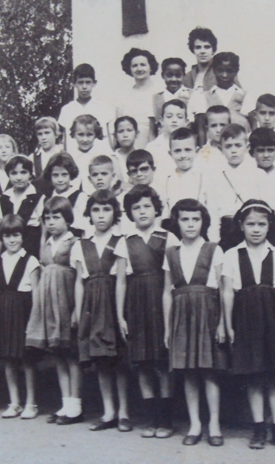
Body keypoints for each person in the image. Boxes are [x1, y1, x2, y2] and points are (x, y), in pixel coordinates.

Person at [222, 200, 275, 450]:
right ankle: (258, 429)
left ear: (269, 226)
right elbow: (227, 293)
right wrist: (227, 325)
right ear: (241, 226)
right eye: (251, 224)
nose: (256, 229)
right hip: (245, 320)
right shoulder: (232, 255)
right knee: (254, 376)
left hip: (274, 320)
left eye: (261, 224)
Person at [162, 199, 227, 447]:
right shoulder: (171, 253)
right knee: (188, 371)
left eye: (195, 219)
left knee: (209, 371)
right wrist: (168, 327)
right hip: (181, 313)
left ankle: (214, 424)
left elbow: (222, 289)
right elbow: (167, 291)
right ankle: (195, 424)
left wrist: (221, 323)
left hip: (207, 313)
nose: (190, 224)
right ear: (177, 222)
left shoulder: (214, 249)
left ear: (203, 222)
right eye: (185, 219)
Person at [120, 185, 180, 438]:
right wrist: (120, 315)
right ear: (129, 213)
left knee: (162, 362)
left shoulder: (168, 238)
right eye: (136, 208)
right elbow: (121, 281)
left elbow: (175, 276)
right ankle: (151, 419)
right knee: (143, 363)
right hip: (136, 305)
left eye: (146, 206)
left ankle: (166, 420)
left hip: (161, 303)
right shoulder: (126, 242)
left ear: (156, 209)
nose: (142, 212)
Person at [73, 190, 131, 432]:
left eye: (106, 209)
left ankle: (124, 412)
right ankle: (109, 412)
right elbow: (79, 281)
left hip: (112, 303)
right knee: (100, 360)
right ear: (88, 214)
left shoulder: (121, 242)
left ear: (115, 213)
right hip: (91, 306)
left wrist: (120, 315)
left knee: (118, 360)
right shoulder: (81, 245)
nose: (101, 215)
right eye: (96, 210)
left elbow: (121, 280)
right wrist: (78, 312)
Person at [26, 196, 83, 425]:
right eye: (47, 218)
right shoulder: (47, 244)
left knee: (71, 354)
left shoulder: (75, 242)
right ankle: (65, 403)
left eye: (56, 217)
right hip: (49, 304)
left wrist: (75, 310)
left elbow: (79, 277)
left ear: (67, 219)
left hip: (66, 302)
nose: (51, 222)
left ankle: (76, 406)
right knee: (58, 354)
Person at [0, 214, 41, 420]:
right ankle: (15, 402)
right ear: (1, 237)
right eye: (7, 236)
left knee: (27, 360)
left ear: (23, 236)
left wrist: (34, 322)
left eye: (16, 235)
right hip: (3, 313)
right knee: (8, 360)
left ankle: (31, 403)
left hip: (24, 312)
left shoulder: (30, 261)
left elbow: (36, 294)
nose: (12, 240)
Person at [206, 124, 265, 249]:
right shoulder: (215, 176)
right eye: (228, 146)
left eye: (238, 145)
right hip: (226, 230)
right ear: (220, 149)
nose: (233, 150)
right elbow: (213, 209)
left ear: (247, 147)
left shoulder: (258, 174)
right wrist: (214, 241)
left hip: (251, 227)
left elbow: (266, 205)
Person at [0, 155, 45, 258]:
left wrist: (42, 256)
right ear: (8, 175)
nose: (19, 177)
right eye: (14, 173)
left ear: (30, 174)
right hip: (8, 251)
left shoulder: (38, 197)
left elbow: (44, 233)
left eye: (23, 172)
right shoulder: (3, 199)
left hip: (31, 249)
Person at [188, 52, 250, 132]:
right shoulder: (204, 96)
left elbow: (250, 124)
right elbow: (201, 127)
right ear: (214, 70)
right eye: (220, 70)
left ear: (236, 71)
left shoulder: (244, 96)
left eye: (229, 71)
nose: (224, 75)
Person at [160, 128, 209, 227]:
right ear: (170, 154)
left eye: (188, 150)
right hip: (174, 229)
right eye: (177, 151)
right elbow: (165, 212)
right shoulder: (167, 178)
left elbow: (211, 209)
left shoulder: (204, 176)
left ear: (197, 151)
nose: (183, 155)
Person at [58, 63, 116, 148]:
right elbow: (64, 141)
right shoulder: (67, 110)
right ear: (74, 84)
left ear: (94, 83)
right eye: (80, 82)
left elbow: (110, 138)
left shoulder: (104, 108)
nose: (84, 87)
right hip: (75, 157)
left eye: (88, 82)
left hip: (99, 156)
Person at [118, 48, 159, 148]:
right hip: (129, 145)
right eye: (134, 66)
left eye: (143, 65)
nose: (139, 69)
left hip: (154, 143)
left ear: (151, 67)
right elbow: (118, 125)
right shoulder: (124, 95)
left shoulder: (159, 92)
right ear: (130, 69)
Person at [68, 114, 117, 194]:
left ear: (96, 135)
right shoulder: (70, 157)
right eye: (81, 134)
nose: (85, 139)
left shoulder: (104, 155)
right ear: (74, 134)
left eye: (89, 135)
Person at [42, 152, 88, 234]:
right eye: (55, 175)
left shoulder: (79, 197)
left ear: (70, 175)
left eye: (64, 175)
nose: (60, 180)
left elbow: (82, 229)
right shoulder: (47, 197)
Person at [145, 99, 188, 182]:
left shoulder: (191, 146)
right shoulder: (152, 147)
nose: (174, 120)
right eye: (169, 116)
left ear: (186, 122)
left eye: (179, 117)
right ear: (161, 120)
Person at [153, 58, 193, 122]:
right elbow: (152, 128)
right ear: (162, 75)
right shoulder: (156, 98)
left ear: (184, 75)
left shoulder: (193, 95)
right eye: (169, 75)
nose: (174, 79)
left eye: (178, 75)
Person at [196, 105, 230, 172]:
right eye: (213, 126)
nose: (218, 130)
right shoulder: (202, 154)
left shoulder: (237, 149)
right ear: (207, 128)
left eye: (222, 125)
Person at [113, 116, 139, 186]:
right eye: (121, 131)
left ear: (137, 134)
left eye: (129, 130)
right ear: (115, 136)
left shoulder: (142, 156)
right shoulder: (112, 159)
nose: (125, 135)